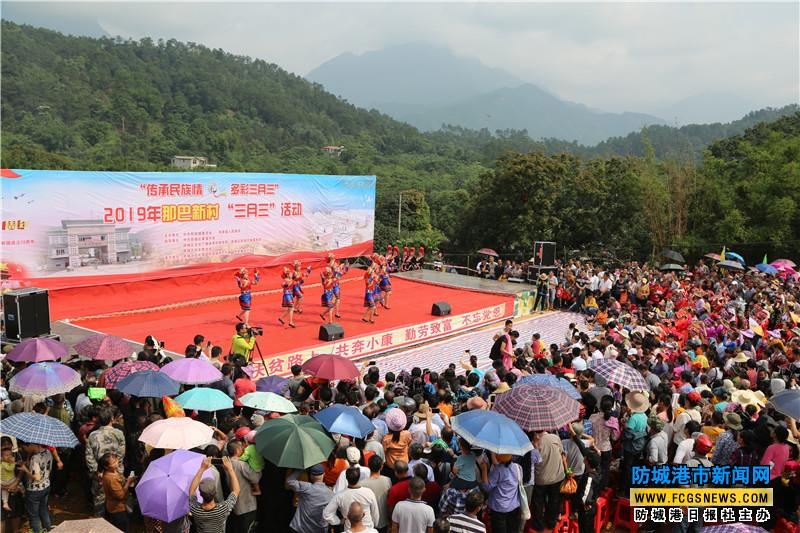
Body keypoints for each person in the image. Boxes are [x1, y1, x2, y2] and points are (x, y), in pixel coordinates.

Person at [85, 407, 126, 516]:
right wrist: (115, 468)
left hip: (99, 474)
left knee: (99, 501)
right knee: (117, 498)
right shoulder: (118, 433)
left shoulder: (92, 435)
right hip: (115, 472)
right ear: (112, 418)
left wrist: (97, 471)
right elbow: (121, 455)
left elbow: (89, 457)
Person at [188, 456, 240, 533]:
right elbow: (236, 490)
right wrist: (230, 469)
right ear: (215, 492)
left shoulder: (195, 508)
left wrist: (202, 469)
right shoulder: (224, 508)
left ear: (200, 494)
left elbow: (192, 490)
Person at [323, 467, 380, 531]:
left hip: (349, 529)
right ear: (359, 478)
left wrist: (339, 521)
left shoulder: (339, 496)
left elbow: (326, 514)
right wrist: (374, 525)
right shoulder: (368, 492)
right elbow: (375, 513)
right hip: (368, 528)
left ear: (346, 478)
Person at [479, 453, 521, 533]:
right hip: (513, 506)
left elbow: (487, 487)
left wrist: (484, 470)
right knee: (512, 529)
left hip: (499, 508)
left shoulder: (498, 470)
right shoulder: (518, 467)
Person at [286, 464, 333, 533]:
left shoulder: (306, 487)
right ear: (324, 474)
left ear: (311, 476)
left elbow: (290, 481)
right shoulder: (330, 493)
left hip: (300, 529)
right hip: (319, 530)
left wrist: (301, 469)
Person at [18, 442, 53, 533]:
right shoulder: (48, 452)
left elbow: (37, 477)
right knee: (44, 510)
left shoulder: (35, 457)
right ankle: (49, 530)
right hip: (46, 486)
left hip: (35, 490)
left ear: (31, 445)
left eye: (24, 447)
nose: (24, 450)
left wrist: (25, 469)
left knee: (34, 516)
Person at [99, 452, 136, 532]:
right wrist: (128, 482)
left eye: (116, 460)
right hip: (117, 509)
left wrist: (126, 480)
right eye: (113, 463)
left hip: (113, 507)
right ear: (106, 466)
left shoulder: (112, 471)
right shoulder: (111, 479)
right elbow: (121, 495)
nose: (116, 463)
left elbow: (120, 482)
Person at [360, 455, 392, 532]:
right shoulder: (387, 480)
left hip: (369, 522)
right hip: (384, 520)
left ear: (368, 466)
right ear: (381, 467)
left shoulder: (362, 483)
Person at [1, 446, 21, 512]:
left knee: (4, 492)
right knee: (18, 482)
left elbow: (14, 463)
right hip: (6, 480)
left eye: (10, 455)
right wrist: (13, 462)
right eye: (6, 455)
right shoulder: (3, 463)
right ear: (2, 457)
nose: (9, 457)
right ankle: (21, 489)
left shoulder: (6, 462)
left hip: (7, 480)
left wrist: (16, 463)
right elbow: (10, 469)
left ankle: (5, 503)